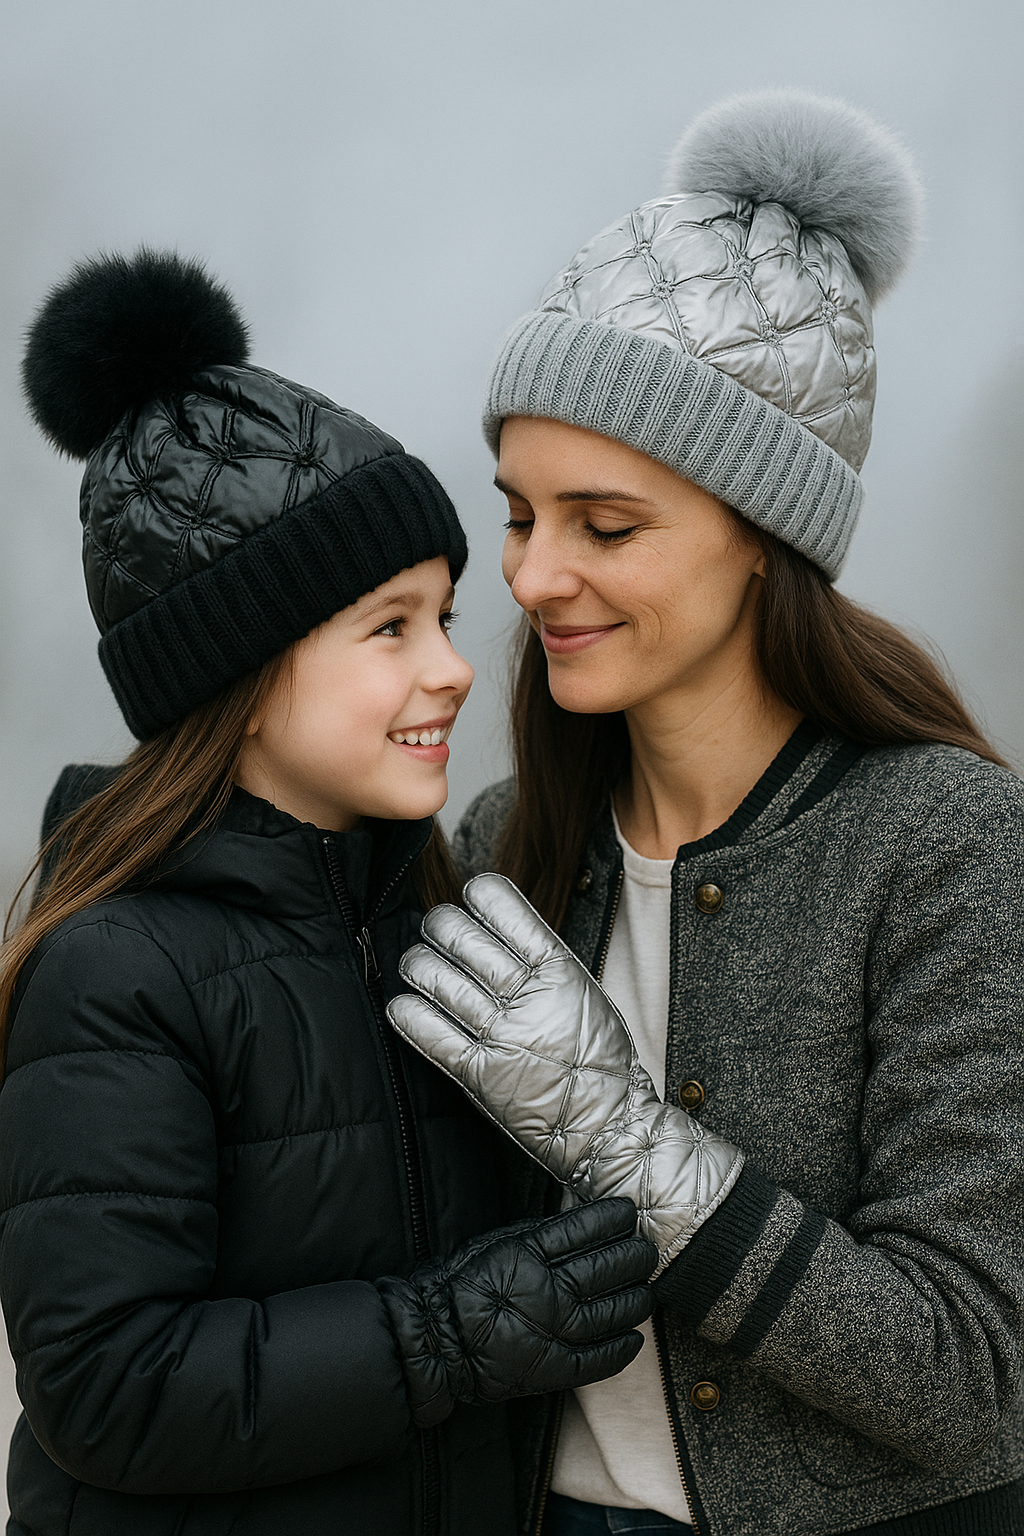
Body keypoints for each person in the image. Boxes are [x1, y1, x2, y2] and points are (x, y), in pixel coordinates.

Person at [385, 92, 1024, 1536]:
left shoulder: (948, 848)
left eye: (606, 526)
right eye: (521, 513)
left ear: (765, 543)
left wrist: (623, 1144)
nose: (537, 576)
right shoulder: (501, 847)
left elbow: (971, 1374)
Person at [0, 250, 657, 1536]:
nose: (457, 671)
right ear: (237, 675)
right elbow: (105, 1387)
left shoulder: (435, 924)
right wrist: (448, 1336)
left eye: (447, 618)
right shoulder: (116, 970)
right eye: (390, 628)